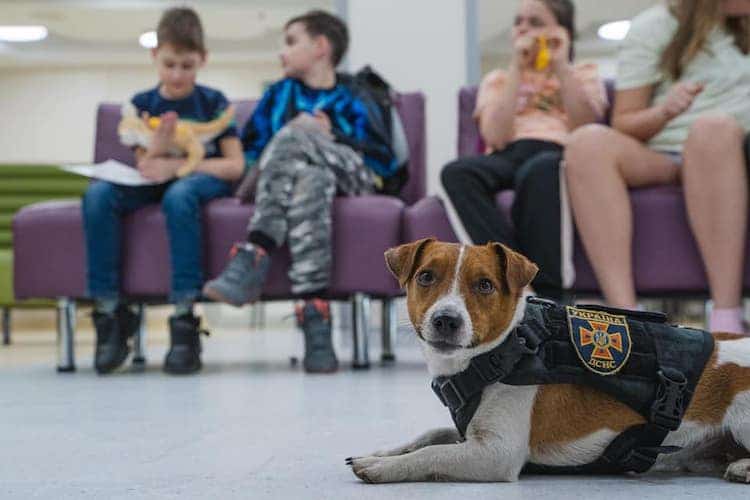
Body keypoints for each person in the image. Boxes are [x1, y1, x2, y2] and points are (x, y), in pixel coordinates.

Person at [202, 10, 396, 373]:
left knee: (297, 132)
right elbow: (252, 156)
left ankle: (256, 251)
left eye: (291, 42)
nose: (282, 52)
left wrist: (329, 135)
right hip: (297, 180)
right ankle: (314, 315)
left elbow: (383, 159)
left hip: (356, 174)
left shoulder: (357, 93)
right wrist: (302, 148)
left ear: (321, 46)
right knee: (312, 178)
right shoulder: (278, 94)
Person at [564, 0, 750, 333]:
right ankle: (627, 319)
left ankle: (726, 318)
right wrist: (666, 110)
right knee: (585, 143)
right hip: (667, 152)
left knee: (713, 131)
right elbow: (624, 121)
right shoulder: (654, 26)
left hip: (732, 152)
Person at [82, 7, 244, 374]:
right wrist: (158, 145)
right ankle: (109, 316)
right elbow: (144, 161)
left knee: (180, 195)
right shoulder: (141, 105)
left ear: (202, 60)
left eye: (187, 66)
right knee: (97, 196)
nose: (177, 75)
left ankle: (185, 320)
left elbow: (234, 166)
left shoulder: (214, 104)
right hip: (152, 179)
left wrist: (178, 166)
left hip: (197, 180)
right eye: (169, 64)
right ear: (155, 56)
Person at [441, 0, 605, 301]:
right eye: (519, 22)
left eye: (535, 22)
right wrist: (516, 69)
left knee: (540, 170)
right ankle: (513, 280)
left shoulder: (582, 72)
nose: (523, 28)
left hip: (557, 152)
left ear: (562, 30)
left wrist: (560, 64)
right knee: (456, 172)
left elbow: (585, 126)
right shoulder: (498, 80)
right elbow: (496, 136)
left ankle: (551, 295)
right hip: (509, 152)